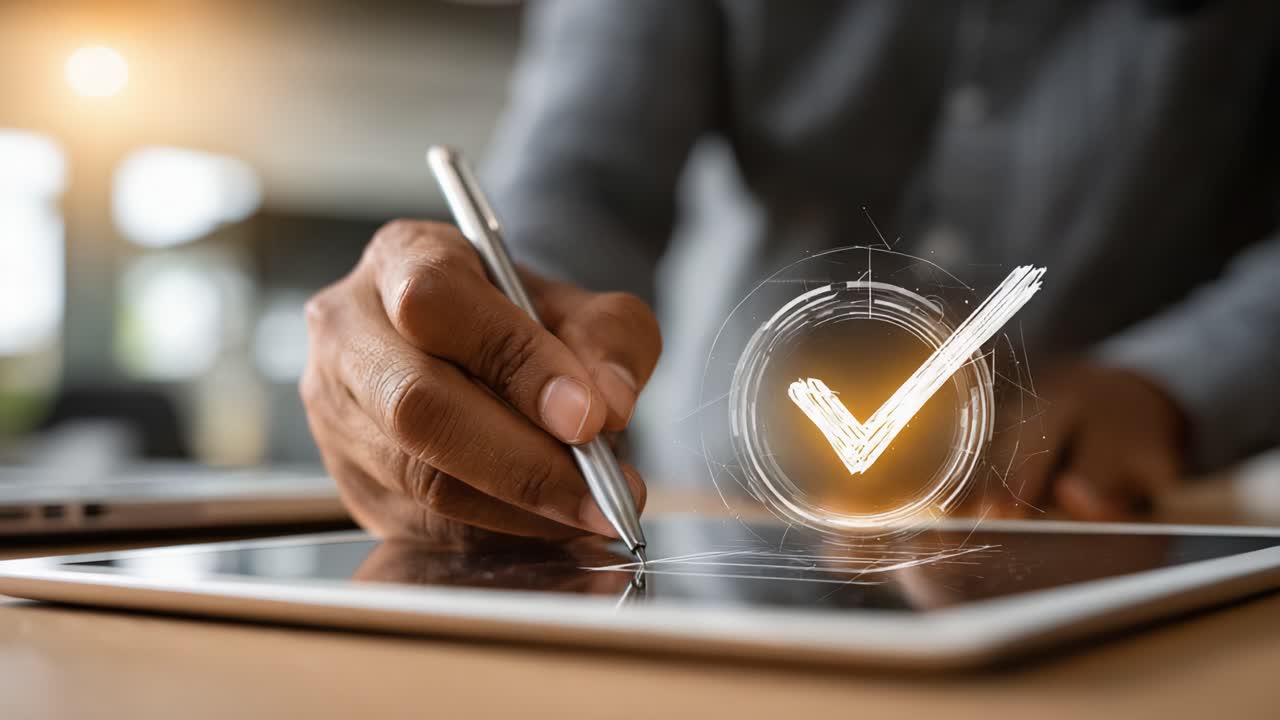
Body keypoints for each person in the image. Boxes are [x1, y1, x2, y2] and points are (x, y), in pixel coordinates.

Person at [301, 1, 1280, 541]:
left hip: (1084, 532)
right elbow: (585, 179)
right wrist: (497, 330)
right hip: (707, 534)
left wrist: (1172, 382)